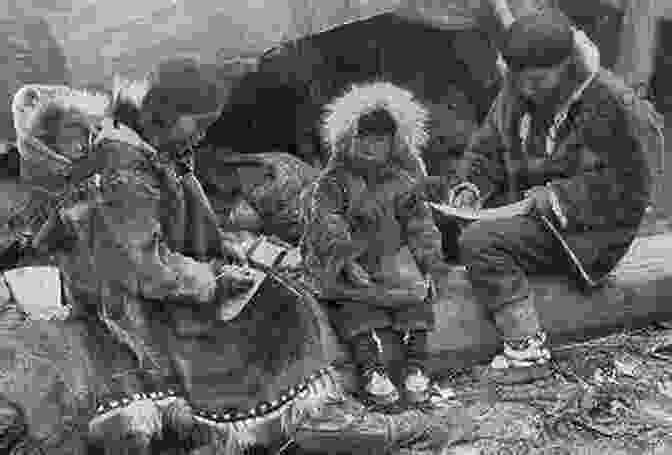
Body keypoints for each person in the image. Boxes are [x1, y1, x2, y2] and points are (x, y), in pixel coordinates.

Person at [428, 9, 660, 381]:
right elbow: (486, 150)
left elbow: (631, 185)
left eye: (538, 81)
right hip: (528, 209)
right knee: (436, 216)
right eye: (520, 80)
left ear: (568, 65)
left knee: (480, 243)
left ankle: (527, 350)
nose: (527, 90)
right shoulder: (517, 88)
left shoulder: (612, 102)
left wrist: (557, 197)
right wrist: (471, 189)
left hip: (588, 231)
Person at [301, 82, 451, 406]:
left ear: (394, 143)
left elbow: (420, 226)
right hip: (352, 267)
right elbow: (327, 222)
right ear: (347, 139)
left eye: (380, 139)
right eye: (363, 138)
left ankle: (416, 369)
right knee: (355, 311)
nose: (371, 146)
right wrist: (345, 259)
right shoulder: (332, 183)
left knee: (417, 306)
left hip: (394, 266)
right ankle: (372, 372)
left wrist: (430, 264)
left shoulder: (403, 183)